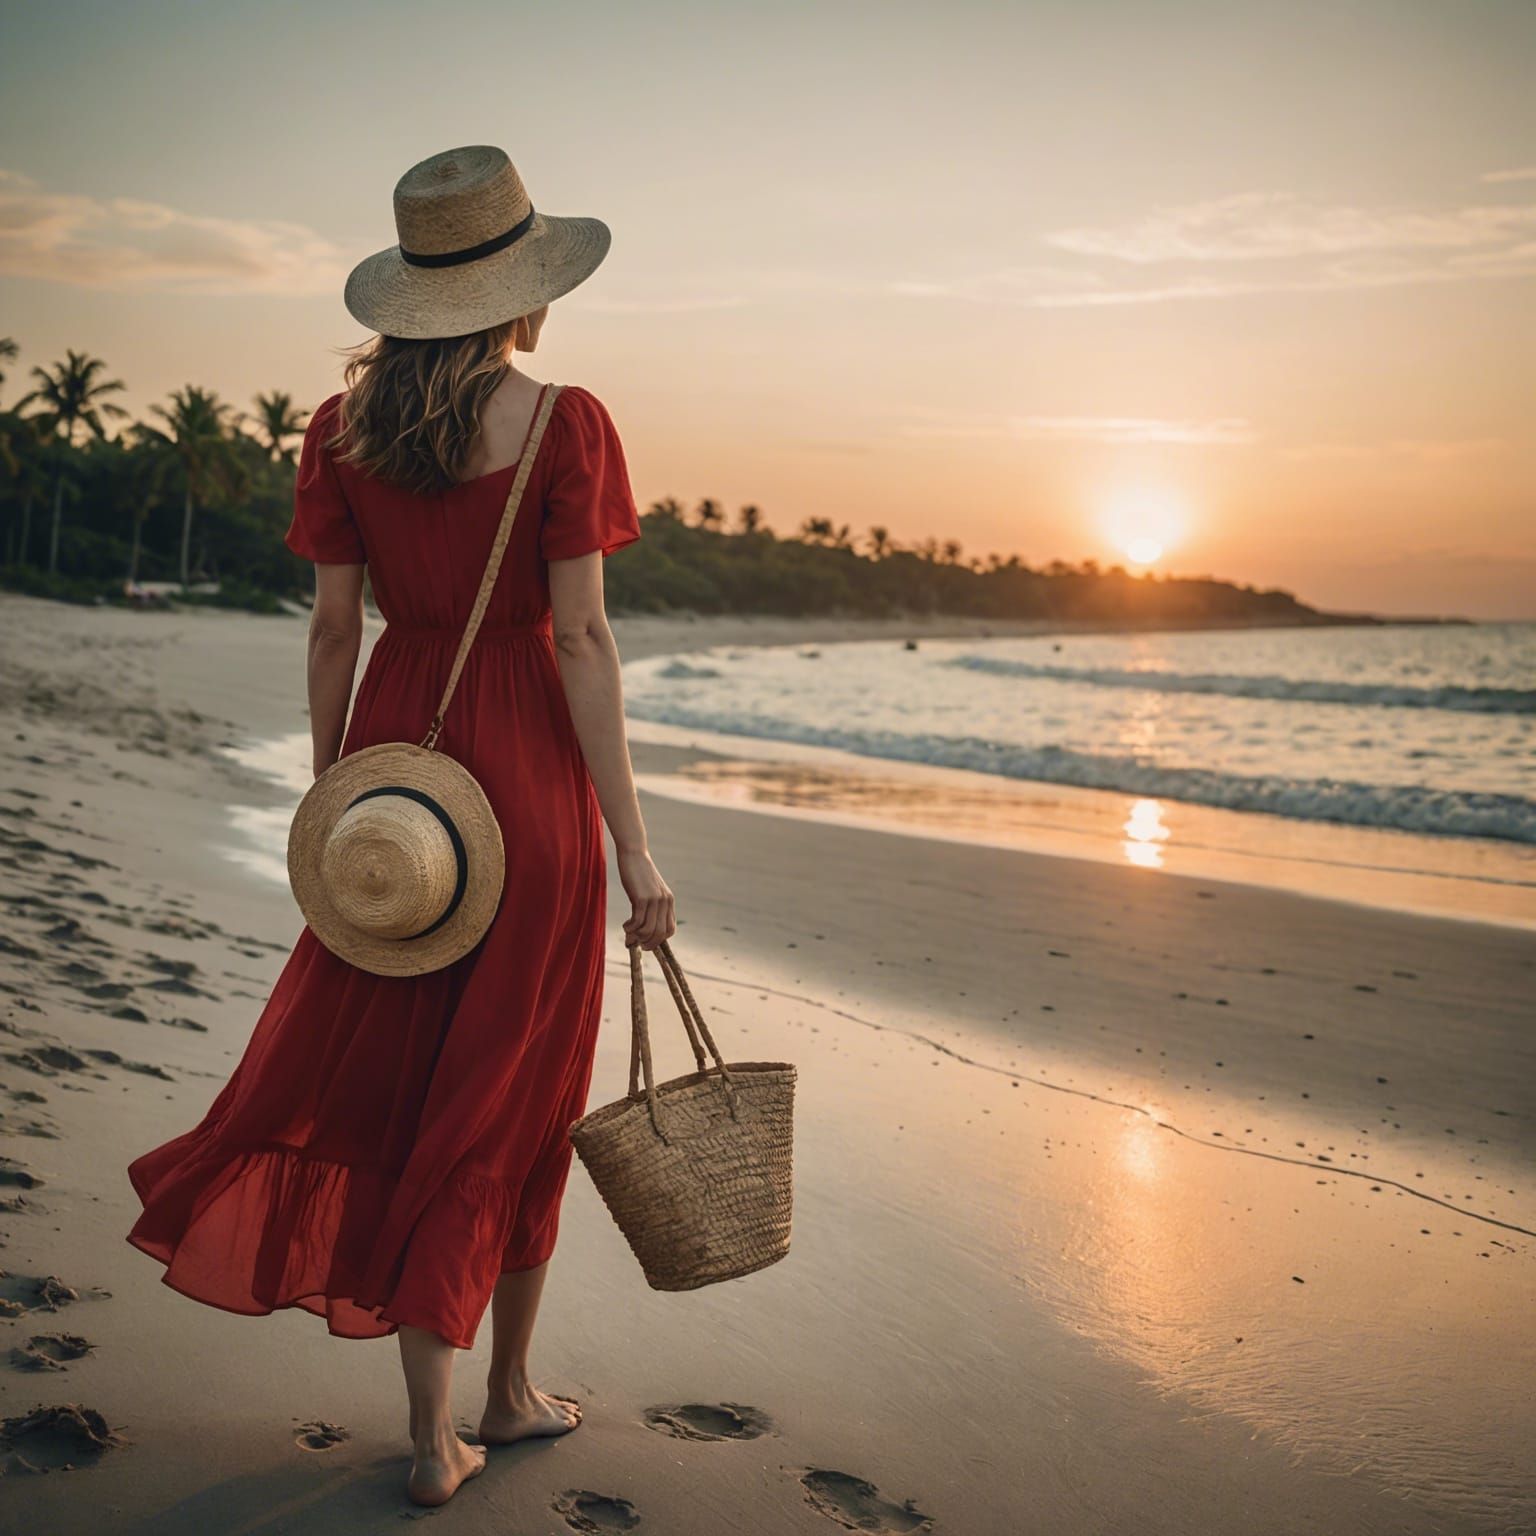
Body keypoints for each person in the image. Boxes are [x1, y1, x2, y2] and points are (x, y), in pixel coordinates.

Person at [124, 145, 675, 1507]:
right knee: (516, 1098)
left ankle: (445, 1424)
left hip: (398, 792)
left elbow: (332, 630)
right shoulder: (565, 424)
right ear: (521, 289)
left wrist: (340, 800)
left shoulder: (341, 429)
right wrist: (635, 847)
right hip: (528, 784)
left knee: (408, 1083)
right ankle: (497, 1399)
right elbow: (584, 641)